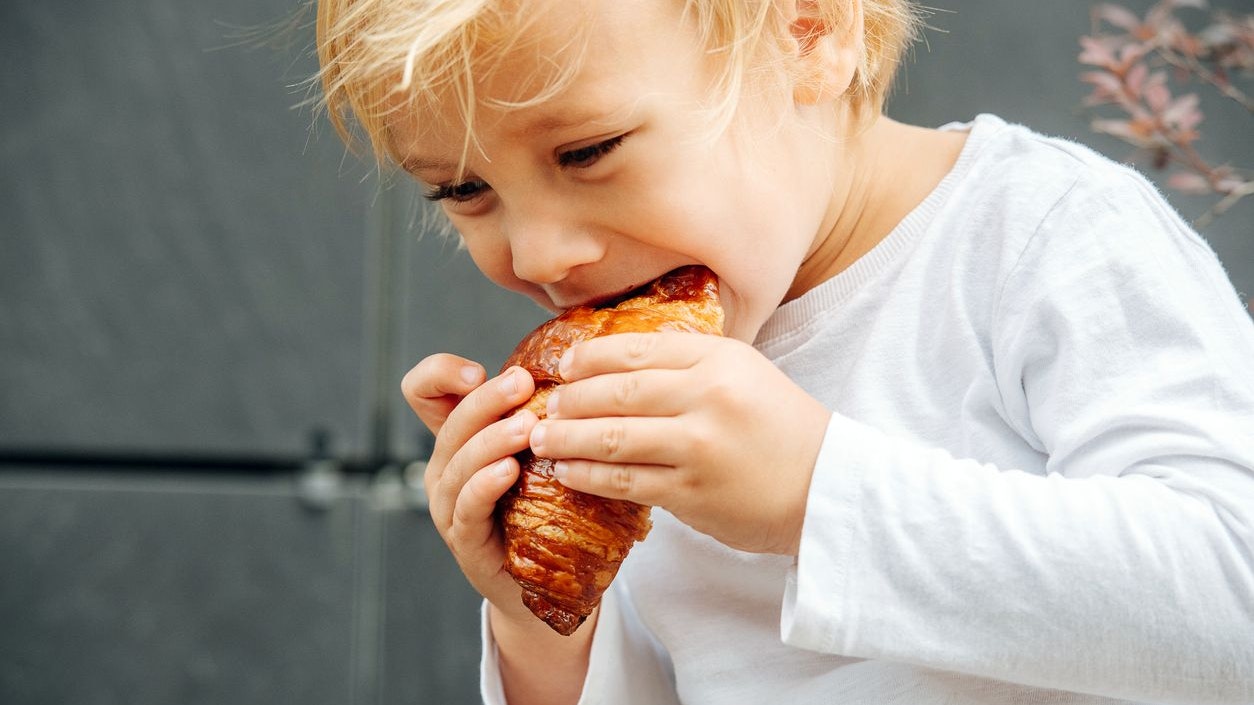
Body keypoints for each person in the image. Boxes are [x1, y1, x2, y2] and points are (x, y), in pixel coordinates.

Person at [314, 0, 1254, 702]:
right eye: (464, 190)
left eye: (589, 150)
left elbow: (1230, 601)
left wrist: (813, 494)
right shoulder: (641, 375)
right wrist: (544, 622)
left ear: (809, 32)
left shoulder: (1040, 235)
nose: (539, 253)